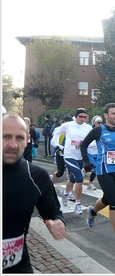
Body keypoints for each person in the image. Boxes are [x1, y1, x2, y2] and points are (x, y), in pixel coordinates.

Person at [2, 112, 67, 273]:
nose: (13, 144)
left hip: (18, 268)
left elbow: (53, 212)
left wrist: (57, 222)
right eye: (6, 137)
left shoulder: (37, 177)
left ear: (26, 141)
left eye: (19, 138)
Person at [81, 103, 115, 245]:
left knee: (107, 198)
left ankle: (92, 212)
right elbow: (84, 144)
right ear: (106, 115)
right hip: (103, 171)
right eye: (113, 113)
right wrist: (87, 162)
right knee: (114, 203)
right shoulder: (99, 130)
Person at [53, 108, 92, 215]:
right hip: (69, 155)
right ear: (76, 117)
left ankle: (65, 193)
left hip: (80, 157)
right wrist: (57, 144)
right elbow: (56, 133)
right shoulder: (68, 125)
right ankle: (78, 205)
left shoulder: (88, 127)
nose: (83, 119)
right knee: (79, 178)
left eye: (85, 117)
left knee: (73, 178)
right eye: (81, 117)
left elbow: (92, 140)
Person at [50, 115, 73, 182]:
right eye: (68, 122)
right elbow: (53, 141)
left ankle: (69, 188)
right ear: (64, 122)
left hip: (69, 154)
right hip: (60, 154)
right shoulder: (58, 129)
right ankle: (50, 179)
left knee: (72, 172)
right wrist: (59, 147)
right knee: (60, 172)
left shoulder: (72, 130)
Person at [86, 115, 103, 190]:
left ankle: (89, 182)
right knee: (96, 168)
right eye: (98, 122)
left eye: (101, 123)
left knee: (96, 169)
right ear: (94, 123)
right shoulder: (89, 130)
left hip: (97, 153)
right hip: (89, 153)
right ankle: (89, 182)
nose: (100, 124)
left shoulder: (102, 131)